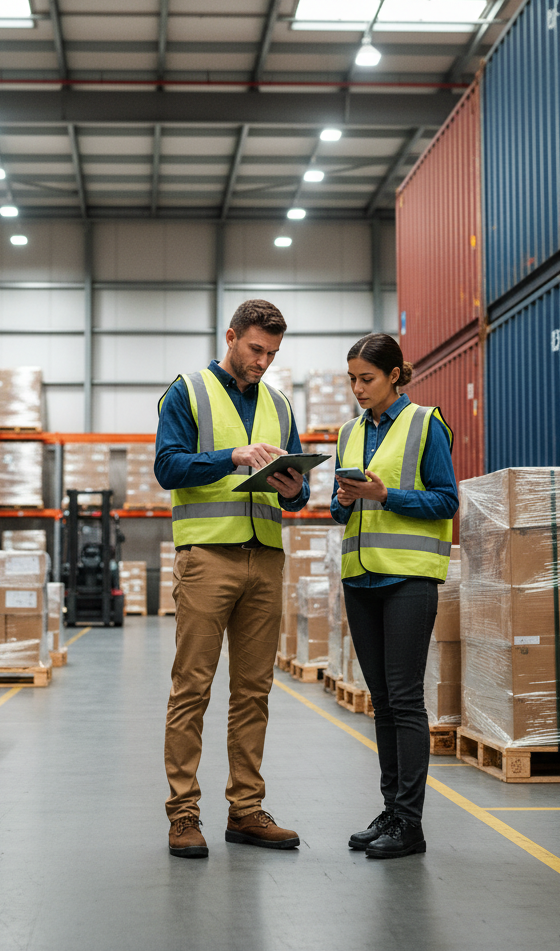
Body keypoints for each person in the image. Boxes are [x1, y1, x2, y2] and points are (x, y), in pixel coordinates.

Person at [155, 299, 310, 859]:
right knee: (191, 688)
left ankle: (246, 811)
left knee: (254, 692)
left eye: (271, 353)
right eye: (254, 349)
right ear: (231, 337)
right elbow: (167, 466)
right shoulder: (188, 391)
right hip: (207, 559)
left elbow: (299, 494)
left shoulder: (279, 403)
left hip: (265, 559)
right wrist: (233, 457)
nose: (262, 362)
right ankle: (183, 814)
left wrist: (296, 491)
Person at [330, 333, 458, 859]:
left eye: (368, 379)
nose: (358, 389)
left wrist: (387, 494)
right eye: (352, 380)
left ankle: (411, 822)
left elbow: (447, 500)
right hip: (361, 578)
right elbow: (344, 514)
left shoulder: (426, 423)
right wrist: (343, 500)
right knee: (381, 701)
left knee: (405, 699)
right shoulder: (348, 433)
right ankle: (392, 810)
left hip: (407, 578)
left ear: (395, 375)